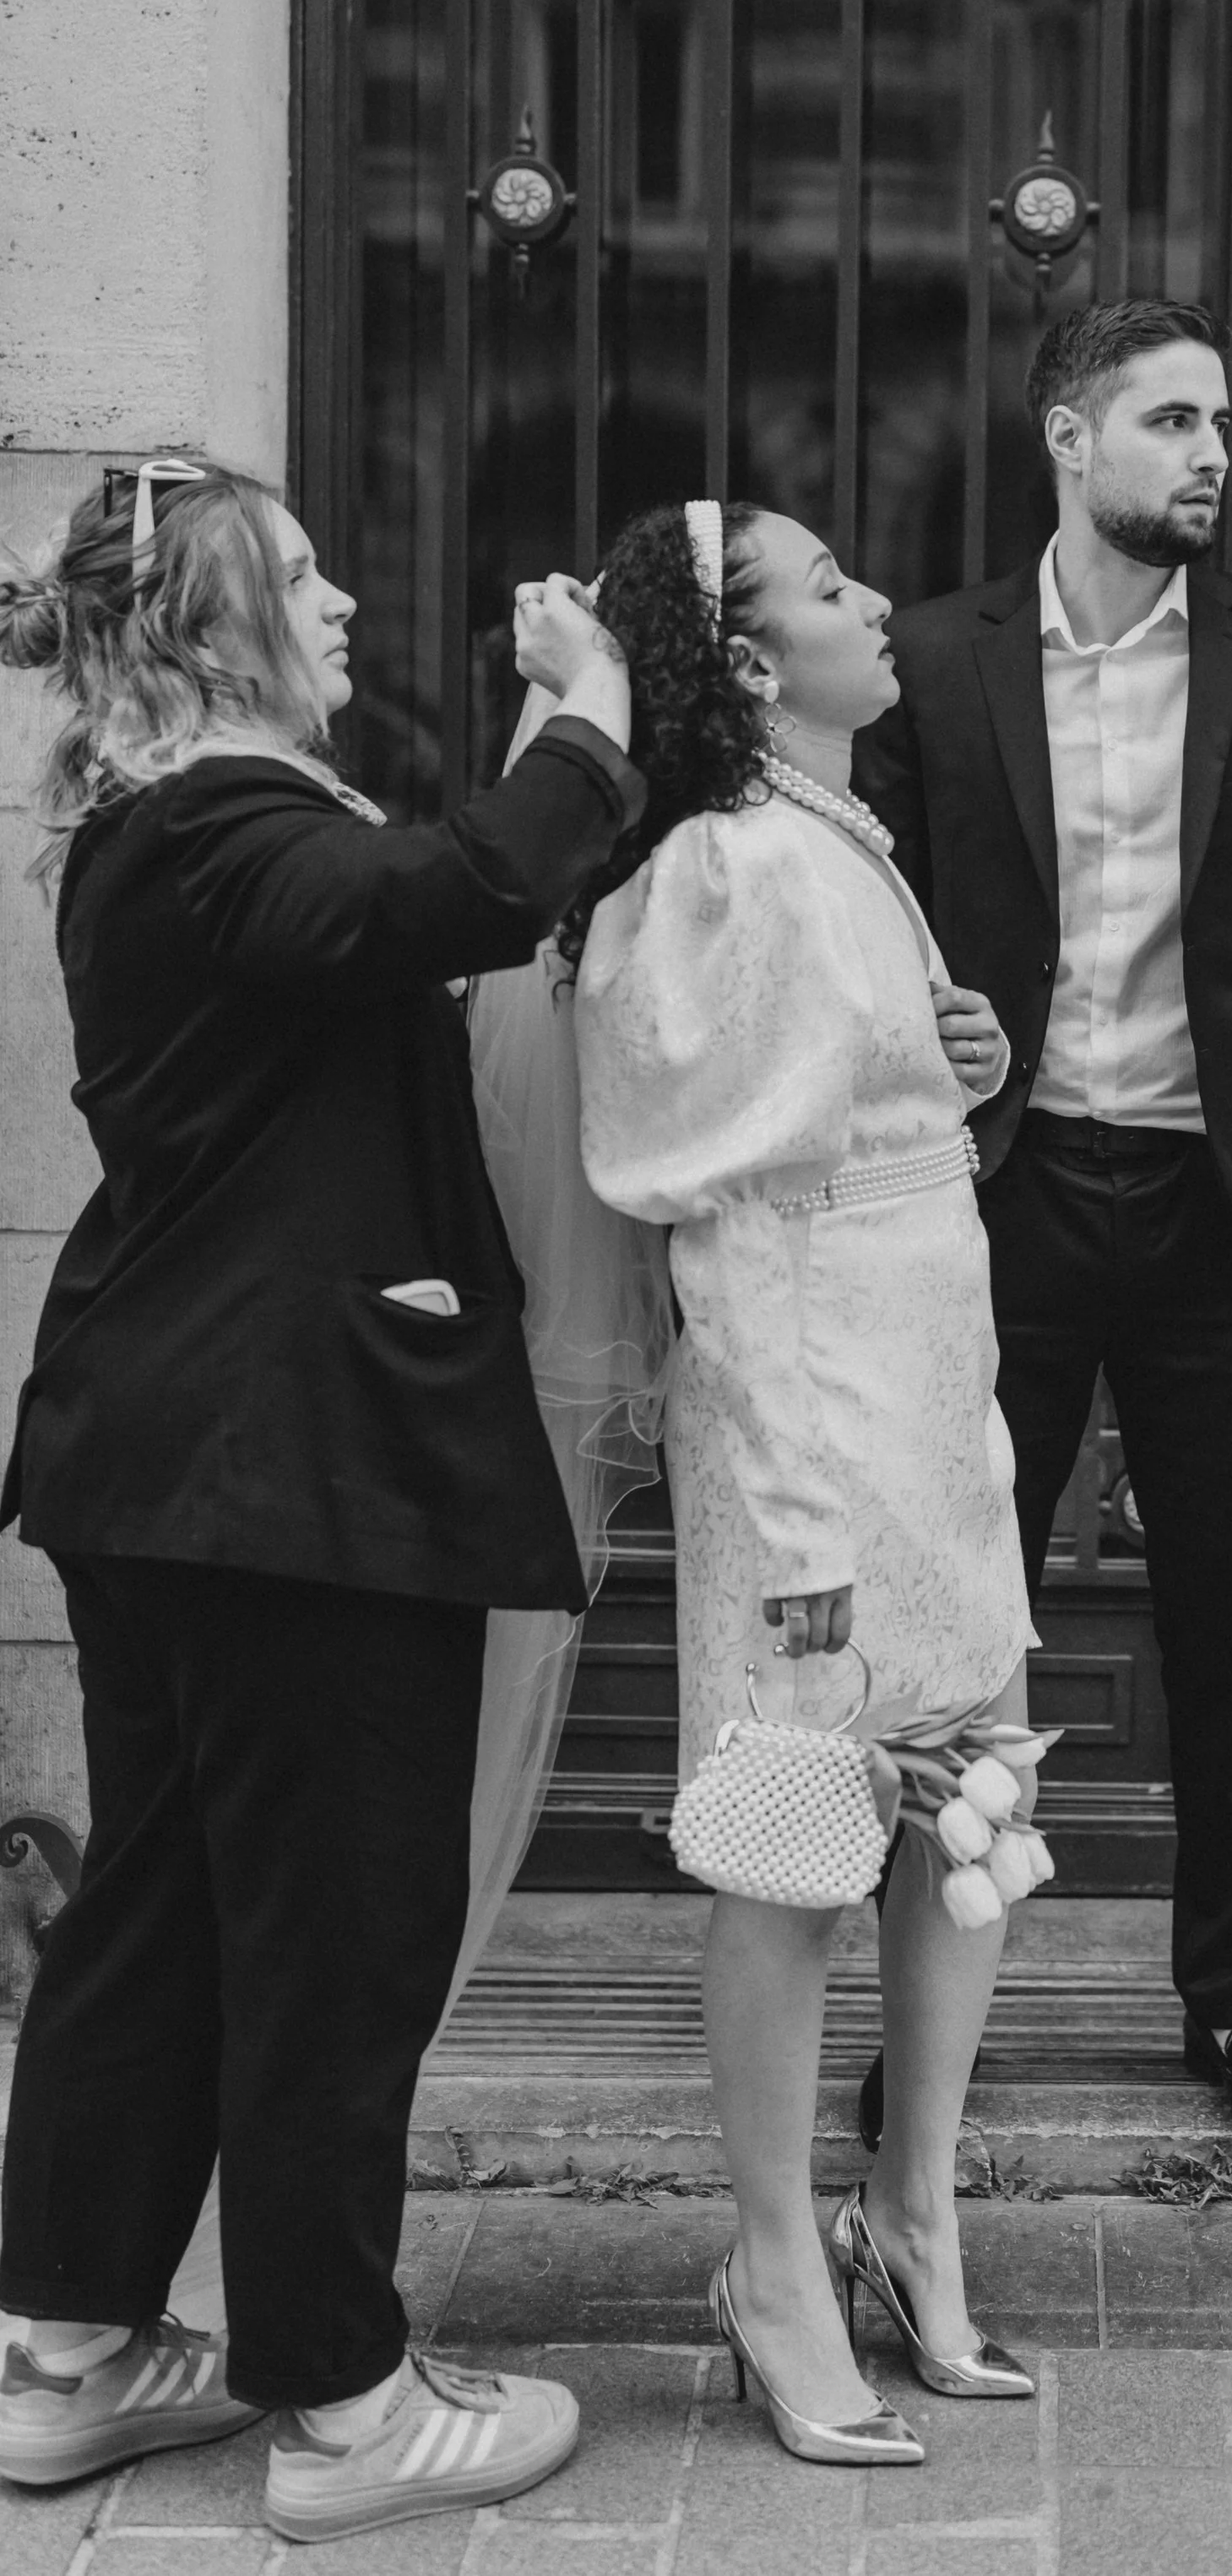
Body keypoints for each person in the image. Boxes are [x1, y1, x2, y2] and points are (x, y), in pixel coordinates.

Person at [0, 461, 643, 2542]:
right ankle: (351, 2402)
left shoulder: (167, 827)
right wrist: (588, 713)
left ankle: (71, 2349)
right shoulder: (214, 827)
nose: (347, 600)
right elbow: (442, 900)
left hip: (181, 1455)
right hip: (288, 1471)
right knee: (332, 1930)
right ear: (206, 629)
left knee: (167, 1908)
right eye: (303, 577)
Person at [855, 300, 1232, 2153]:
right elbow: (879, 944)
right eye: (1170, 420)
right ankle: (928, 2000)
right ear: (1067, 441)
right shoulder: (933, 663)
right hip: (996, 1206)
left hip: (1222, 1213)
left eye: (1219, 423)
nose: (1212, 453)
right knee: (948, 1625)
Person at [569, 497, 1039, 2470]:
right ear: (752, 669)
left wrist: (969, 1060)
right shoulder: (721, 861)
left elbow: (874, 1085)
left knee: (966, 1774)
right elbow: (677, 1132)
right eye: (832, 586)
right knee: (795, 1814)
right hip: (808, 1392)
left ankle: (910, 2211)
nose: (875, 604)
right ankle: (771, 2261)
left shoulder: (845, 837)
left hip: (931, 1370)